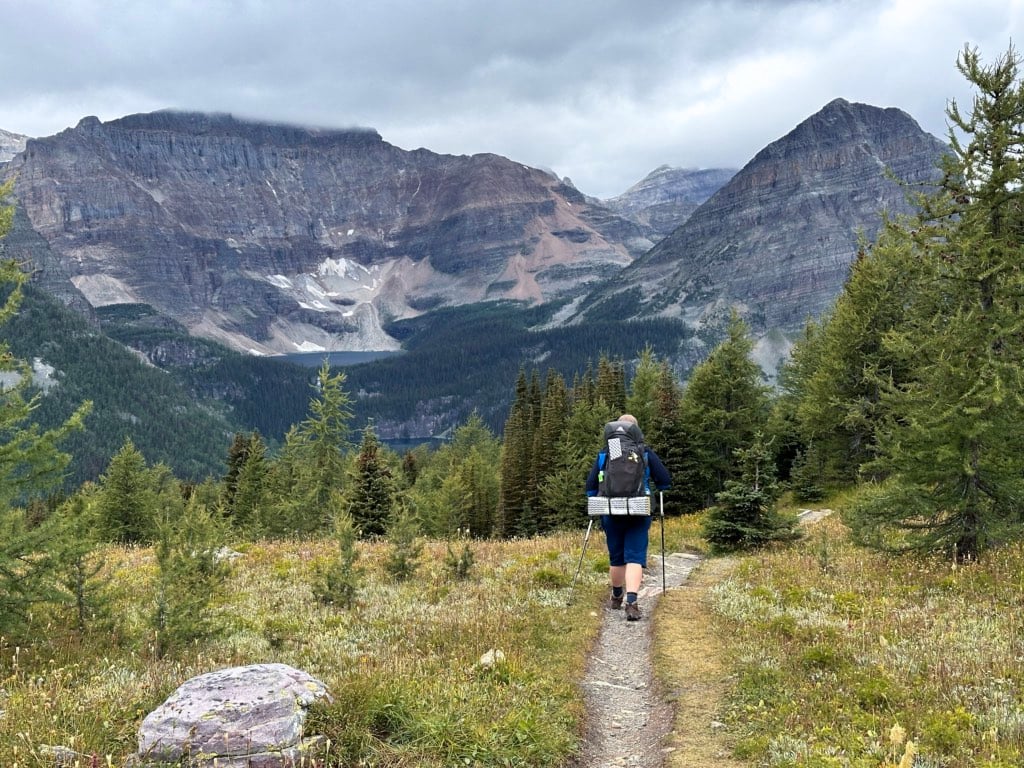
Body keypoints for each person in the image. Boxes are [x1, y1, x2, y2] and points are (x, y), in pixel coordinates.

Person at [585, 414, 671, 621]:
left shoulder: (607, 453)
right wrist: (657, 486)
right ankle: (631, 603)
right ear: (636, 431)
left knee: (616, 557)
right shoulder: (644, 452)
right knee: (634, 557)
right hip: (638, 509)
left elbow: (590, 487)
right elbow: (665, 481)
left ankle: (616, 596)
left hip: (611, 511)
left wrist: (597, 500)